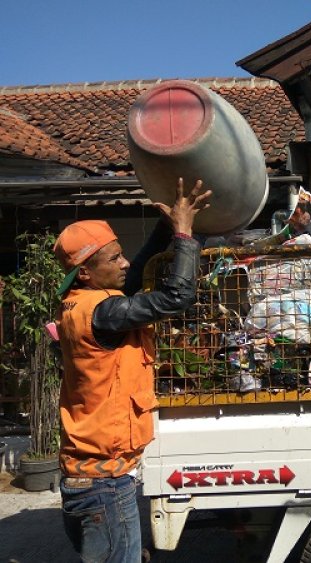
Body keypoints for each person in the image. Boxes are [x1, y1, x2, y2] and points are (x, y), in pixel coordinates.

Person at [53, 178, 211, 563]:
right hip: (103, 486)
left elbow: (137, 272)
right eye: (114, 259)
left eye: (121, 254)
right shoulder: (105, 313)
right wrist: (185, 234)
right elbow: (178, 296)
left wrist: (168, 224)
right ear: (86, 273)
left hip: (91, 478)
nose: (124, 263)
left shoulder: (84, 304)